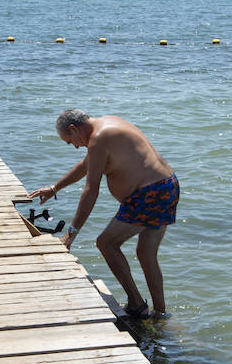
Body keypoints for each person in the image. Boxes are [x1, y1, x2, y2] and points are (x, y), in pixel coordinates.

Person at [28, 110, 179, 319]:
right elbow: (86, 165)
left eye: (70, 141)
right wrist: (55, 187)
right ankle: (160, 314)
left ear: (73, 128)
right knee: (146, 253)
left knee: (106, 243)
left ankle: (136, 304)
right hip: (167, 186)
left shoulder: (99, 139)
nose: (74, 146)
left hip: (148, 194)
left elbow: (91, 189)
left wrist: (71, 233)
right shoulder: (107, 124)